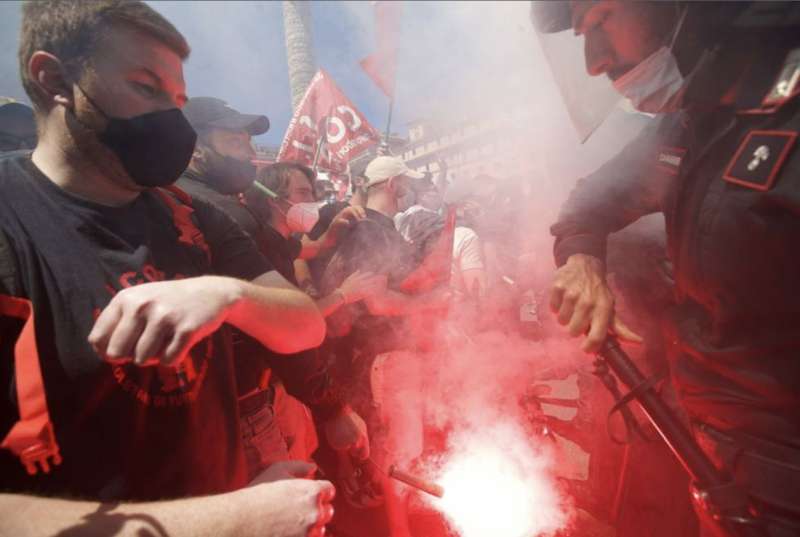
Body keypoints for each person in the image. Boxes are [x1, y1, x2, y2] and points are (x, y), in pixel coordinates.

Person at [0, 2, 333, 536]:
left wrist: (226, 296)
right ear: (55, 79)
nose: (170, 120)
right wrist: (235, 519)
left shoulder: (186, 213)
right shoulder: (10, 225)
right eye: (146, 88)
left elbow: (305, 324)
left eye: (177, 100)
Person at [533, 1, 800, 535]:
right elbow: (591, 201)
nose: (592, 60)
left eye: (602, 19)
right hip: (719, 471)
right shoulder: (692, 119)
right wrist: (583, 257)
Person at [319, 156, 451, 537]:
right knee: (397, 453)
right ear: (393, 184)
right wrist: (433, 301)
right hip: (384, 356)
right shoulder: (371, 231)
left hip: (374, 355)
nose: (410, 190)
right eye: (406, 184)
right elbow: (375, 300)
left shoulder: (368, 228)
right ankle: (399, 531)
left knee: (387, 450)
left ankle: (390, 521)